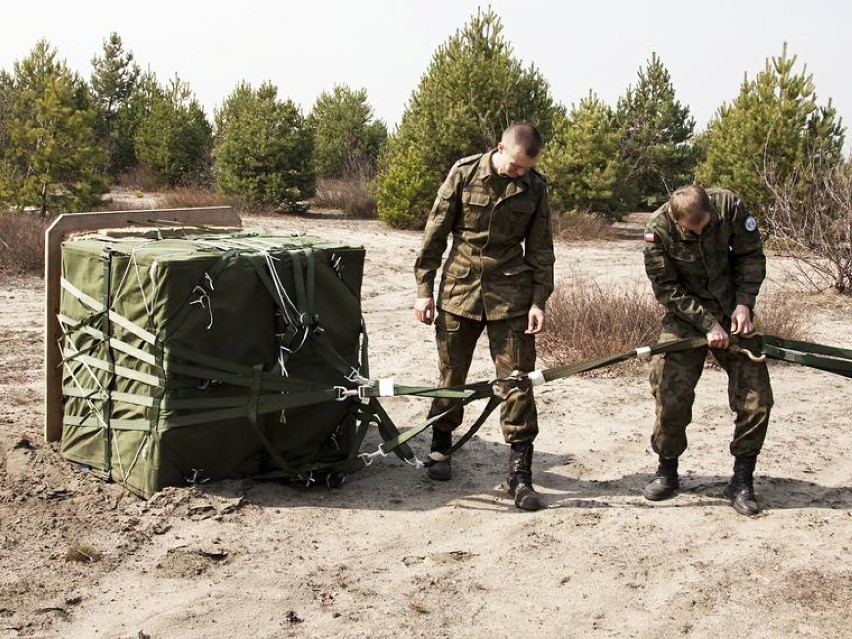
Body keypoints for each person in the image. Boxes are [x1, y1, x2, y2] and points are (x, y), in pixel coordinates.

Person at [413, 121, 555, 512]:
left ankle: (520, 475)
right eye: (515, 166)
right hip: (459, 290)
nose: (519, 173)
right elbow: (435, 234)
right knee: (450, 374)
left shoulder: (535, 187)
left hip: (511, 295)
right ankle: (441, 449)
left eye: (526, 168)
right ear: (499, 149)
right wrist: (424, 290)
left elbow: (541, 248)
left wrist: (539, 301)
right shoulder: (464, 173)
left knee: (517, 380)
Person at [642, 183, 774, 516]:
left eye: (704, 225)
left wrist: (744, 305)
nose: (699, 232)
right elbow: (667, 288)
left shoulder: (729, 206)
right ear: (676, 219)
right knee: (670, 394)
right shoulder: (657, 229)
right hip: (685, 317)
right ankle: (667, 470)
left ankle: (742, 480)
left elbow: (750, 255)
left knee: (757, 399)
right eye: (692, 229)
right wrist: (707, 325)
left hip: (732, 309)